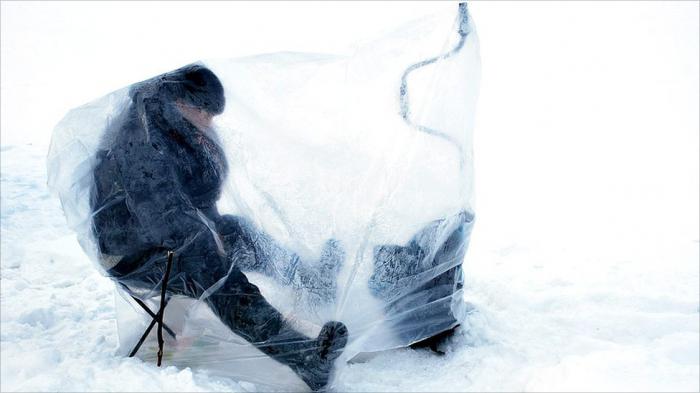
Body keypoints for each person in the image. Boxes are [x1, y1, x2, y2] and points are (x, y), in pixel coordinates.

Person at [90, 64, 347, 391]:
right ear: (183, 102)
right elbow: (158, 213)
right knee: (209, 263)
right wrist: (207, 235)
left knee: (235, 232)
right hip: (131, 254)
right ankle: (302, 357)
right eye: (206, 113)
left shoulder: (169, 123)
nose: (209, 122)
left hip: (163, 237)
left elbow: (192, 197)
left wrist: (212, 228)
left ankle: (309, 278)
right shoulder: (139, 139)